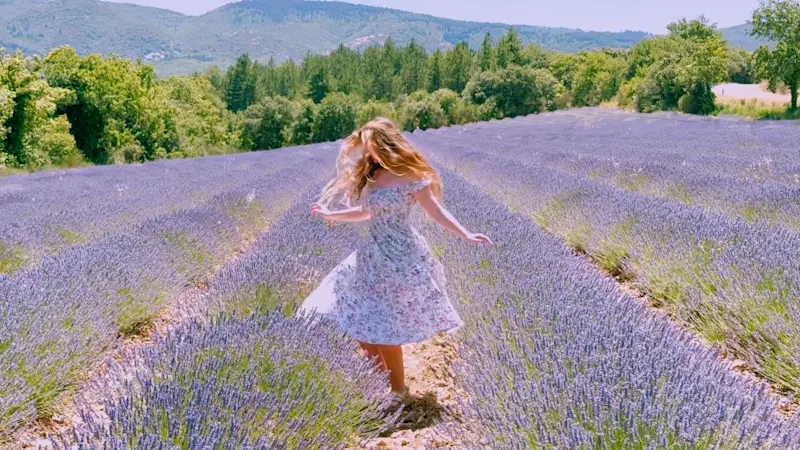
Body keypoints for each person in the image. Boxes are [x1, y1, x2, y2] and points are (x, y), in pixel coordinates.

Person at [305, 118, 491, 401]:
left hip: (400, 256)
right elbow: (366, 212)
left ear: (384, 142)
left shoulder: (411, 175)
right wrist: (331, 215)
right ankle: (379, 389)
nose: (367, 153)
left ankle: (398, 391)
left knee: (384, 326)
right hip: (371, 255)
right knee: (362, 326)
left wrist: (466, 233)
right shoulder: (374, 175)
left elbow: (436, 212)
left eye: (370, 146)